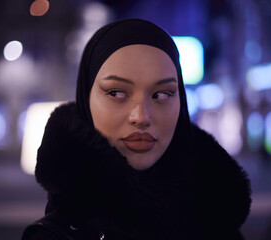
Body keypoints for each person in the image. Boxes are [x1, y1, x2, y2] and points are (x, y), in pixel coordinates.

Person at [22, 19, 251, 240]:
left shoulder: (217, 220)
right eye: (116, 93)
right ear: (86, 99)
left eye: (162, 94)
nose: (141, 117)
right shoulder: (56, 236)